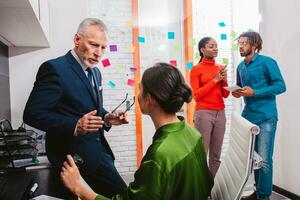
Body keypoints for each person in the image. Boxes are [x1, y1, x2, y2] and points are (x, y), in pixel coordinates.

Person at [60, 63, 214, 200]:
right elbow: (206, 184)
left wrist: (79, 188)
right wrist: (106, 119)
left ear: (149, 99)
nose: (137, 94)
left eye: (140, 89)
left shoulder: (160, 156)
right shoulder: (192, 133)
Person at [23, 18, 129, 197]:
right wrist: (75, 125)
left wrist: (107, 118)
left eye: (103, 47)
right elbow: (33, 114)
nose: (99, 53)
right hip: (71, 157)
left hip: (98, 153)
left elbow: (91, 107)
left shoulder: (95, 72)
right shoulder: (54, 68)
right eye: (94, 45)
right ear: (77, 40)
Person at [232, 31, 286, 200]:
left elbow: (280, 86)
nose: (241, 46)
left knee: (264, 160)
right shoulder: (240, 67)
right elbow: (241, 88)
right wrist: (237, 93)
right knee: (254, 160)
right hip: (248, 117)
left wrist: (255, 92)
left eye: (244, 43)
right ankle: (257, 192)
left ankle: (264, 197)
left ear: (254, 45)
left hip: (266, 117)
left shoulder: (267, 63)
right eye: (239, 43)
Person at [190, 37, 229, 176]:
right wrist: (215, 80)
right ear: (202, 50)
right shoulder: (196, 70)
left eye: (216, 46)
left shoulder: (220, 68)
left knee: (216, 155)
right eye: (211, 46)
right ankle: (200, 189)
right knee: (202, 153)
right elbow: (197, 95)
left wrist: (224, 80)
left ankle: (211, 189)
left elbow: (225, 94)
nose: (215, 48)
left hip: (220, 113)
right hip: (204, 113)